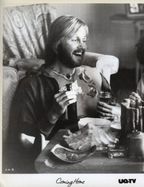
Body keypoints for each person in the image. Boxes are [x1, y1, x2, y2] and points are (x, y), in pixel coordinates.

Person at [5, 15, 111, 173]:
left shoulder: (93, 76)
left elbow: (112, 117)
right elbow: (23, 145)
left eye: (84, 40)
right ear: (56, 45)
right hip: (55, 168)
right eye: (75, 40)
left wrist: (117, 112)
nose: (82, 46)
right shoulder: (32, 85)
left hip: (101, 159)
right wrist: (52, 115)